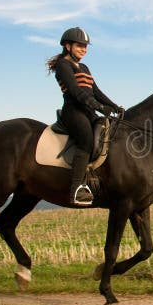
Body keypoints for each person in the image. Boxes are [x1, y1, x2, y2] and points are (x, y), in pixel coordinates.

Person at [46, 27, 121, 205]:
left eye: (85, 47)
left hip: (88, 111)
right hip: (73, 111)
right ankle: (76, 191)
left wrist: (114, 106)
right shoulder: (63, 65)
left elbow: (95, 91)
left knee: (107, 134)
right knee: (86, 141)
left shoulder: (84, 67)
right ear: (67, 45)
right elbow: (76, 91)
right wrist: (98, 107)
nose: (84, 50)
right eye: (80, 46)